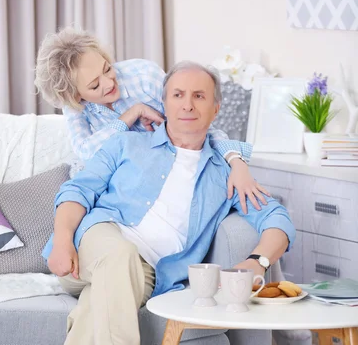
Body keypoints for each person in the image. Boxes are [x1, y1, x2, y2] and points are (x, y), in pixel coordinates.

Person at [20, 61, 295, 345]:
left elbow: (277, 218)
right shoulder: (127, 143)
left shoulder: (227, 172)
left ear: (215, 108)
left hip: (146, 274)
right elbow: (77, 191)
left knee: (110, 290)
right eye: (178, 95)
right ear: (164, 102)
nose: (188, 104)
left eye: (199, 96)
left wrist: (258, 262)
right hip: (93, 245)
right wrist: (63, 239)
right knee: (119, 253)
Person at [34, 26, 270, 214]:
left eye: (107, 69)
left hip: (167, 176)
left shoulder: (143, 78)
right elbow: (86, 153)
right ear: (75, 95)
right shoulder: (74, 107)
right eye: (94, 85)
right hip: (120, 188)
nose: (108, 82)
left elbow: (197, 124)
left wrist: (237, 162)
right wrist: (131, 115)